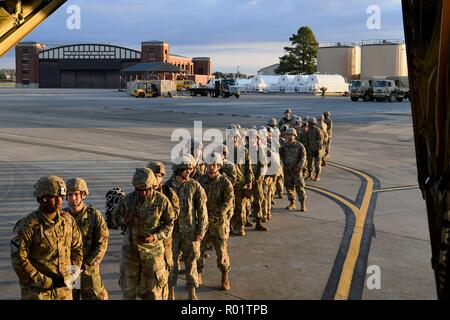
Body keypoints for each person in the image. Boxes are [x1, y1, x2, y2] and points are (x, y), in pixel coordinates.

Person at [11, 176, 83, 300]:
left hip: (64, 292)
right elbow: (20, 262)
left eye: (61, 196)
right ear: (42, 198)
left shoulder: (68, 220)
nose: (59, 201)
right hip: (38, 293)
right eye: (54, 197)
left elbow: (77, 248)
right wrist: (47, 282)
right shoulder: (27, 227)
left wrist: (72, 274)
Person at [113, 168, 175, 300]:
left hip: (153, 254)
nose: (144, 193)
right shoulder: (128, 200)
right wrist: (124, 219)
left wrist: (155, 237)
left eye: (147, 189)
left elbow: (169, 224)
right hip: (131, 253)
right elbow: (114, 218)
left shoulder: (162, 201)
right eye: (140, 190)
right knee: (128, 291)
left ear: (153, 185)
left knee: (153, 292)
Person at [164, 156, 208, 300]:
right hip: (172, 234)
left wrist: (201, 231)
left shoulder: (194, 186)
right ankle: (170, 292)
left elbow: (202, 210)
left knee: (191, 263)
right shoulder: (167, 187)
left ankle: (191, 291)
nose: (189, 171)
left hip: (190, 232)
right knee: (171, 264)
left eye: (191, 168)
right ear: (178, 169)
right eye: (186, 169)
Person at [64, 177, 109, 300]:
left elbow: (102, 243)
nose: (73, 198)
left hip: (89, 269)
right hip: (70, 270)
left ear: (83, 195)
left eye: (76, 194)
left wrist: (86, 264)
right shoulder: (62, 217)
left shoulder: (94, 216)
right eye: (70, 195)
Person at [198, 153, 235, 291]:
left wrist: (215, 214)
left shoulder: (225, 182)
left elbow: (228, 202)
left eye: (214, 165)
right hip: (203, 223)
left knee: (221, 253)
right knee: (199, 251)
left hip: (219, 223)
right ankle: (198, 273)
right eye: (209, 164)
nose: (211, 167)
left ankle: (225, 275)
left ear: (219, 166)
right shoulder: (201, 180)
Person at [144, 161, 180, 299]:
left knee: (162, 276)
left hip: (163, 243)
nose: (157, 178)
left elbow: (175, 214)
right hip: (145, 246)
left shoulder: (168, 193)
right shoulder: (140, 194)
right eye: (155, 175)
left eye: (160, 176)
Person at [280, 128, 308, 211]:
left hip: (297, 170)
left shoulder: (299, 146)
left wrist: (298, 167)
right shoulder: (284, 146)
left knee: (299, 187)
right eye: (288, 135)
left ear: (295, 136)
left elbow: (303, 158)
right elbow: (280, 156)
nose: (289, 136)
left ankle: (303, 204)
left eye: (291, 135)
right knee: (289, 187)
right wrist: (284, 165)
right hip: (287, 169)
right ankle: (292, 203)